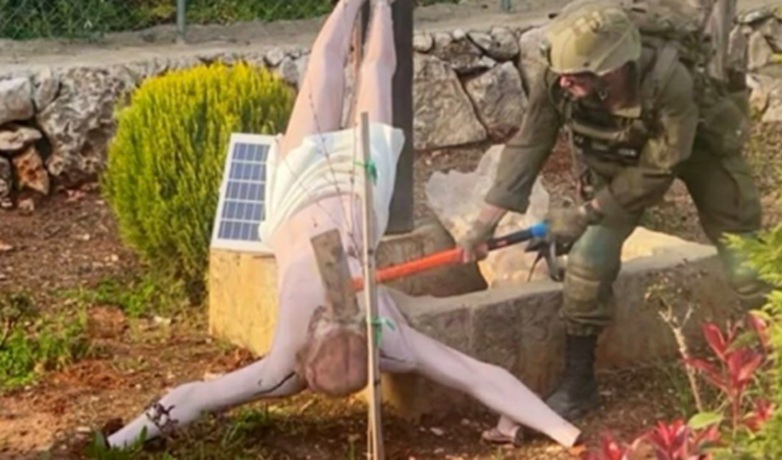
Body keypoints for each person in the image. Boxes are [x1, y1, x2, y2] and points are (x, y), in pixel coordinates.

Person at [100, 0, 583, 451]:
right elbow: (479, 375)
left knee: (331, 69)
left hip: (300, 190)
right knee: (367, 71)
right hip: (358, 185)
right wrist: (564, 434)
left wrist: (121, 440)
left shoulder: (296, 362)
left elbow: (195, 397)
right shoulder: (388, 342)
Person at [458, 0, 770, 423]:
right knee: (588, 261)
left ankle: (781, 354)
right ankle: (579, 385)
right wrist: (483, 224)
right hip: (620, 160)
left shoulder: (669, 80)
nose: (564, 81)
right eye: (562, 72)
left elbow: (661, 167)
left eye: (576, 75)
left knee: (743, 253)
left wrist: (585, 211)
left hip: (698, 147)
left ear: (612, 69)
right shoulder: (559, 76)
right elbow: (530, 143)